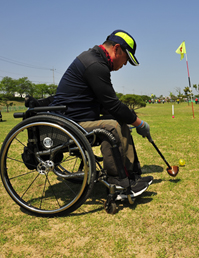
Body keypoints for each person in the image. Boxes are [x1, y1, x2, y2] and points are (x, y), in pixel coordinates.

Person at [50, 30, 153, 198]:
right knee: (110, 126)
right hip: (69, 122)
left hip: (79, 118)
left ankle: (130, 175)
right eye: (126, 58)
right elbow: (112, 104)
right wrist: (140, 123)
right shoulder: (95, 64)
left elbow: (107, 104)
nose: (125, 64)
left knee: (119, 121)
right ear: (117, 49)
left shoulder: (97, 60)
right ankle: (117, 184)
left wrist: (129, 117)